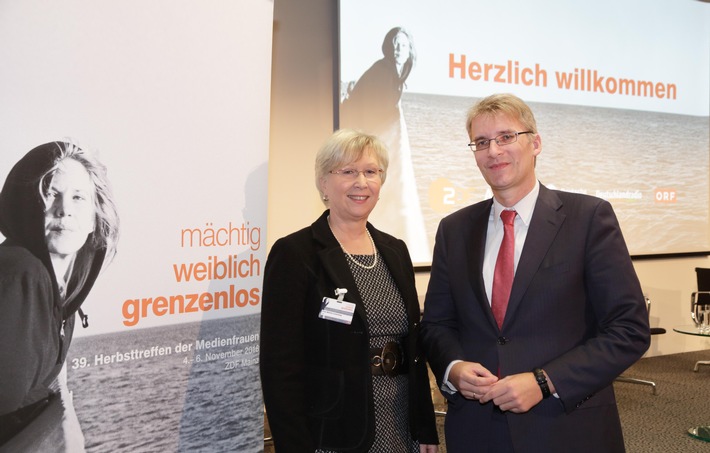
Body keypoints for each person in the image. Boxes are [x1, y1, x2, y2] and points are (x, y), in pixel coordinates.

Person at [420, 93, 650, 453]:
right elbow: (437, 324)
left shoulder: (588, 218)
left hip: (565, 426)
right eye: (481, 142)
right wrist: (453, 368)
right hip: (477, 431)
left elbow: (629, 330)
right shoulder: (455, 229)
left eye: (506, 137)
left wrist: (545, 382)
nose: (493, 151)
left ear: (535, 143)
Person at [260, 129, 438, 452]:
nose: (361, 182)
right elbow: (279, 369)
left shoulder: (395, 250)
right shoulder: (296, 253)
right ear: (323, 183)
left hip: (401, 425)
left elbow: (414, 347)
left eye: (371, 172)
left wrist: (425, 427)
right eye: (347, 171)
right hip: (333, 434)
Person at [0, 141, 120, 451]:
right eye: (52, 194)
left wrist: (67, 426)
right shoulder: (21, 274)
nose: (64, 209)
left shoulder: (60, 286)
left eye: (78, 197)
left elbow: (52, 378)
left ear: (94, 216)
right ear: (29, 205)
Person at [340, 27, 429, 262]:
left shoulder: (395, 73)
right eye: (395, 44)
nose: (399, 49)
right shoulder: (382, 72)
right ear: (389, 47)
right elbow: (370, 116)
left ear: (410, 50)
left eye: (404, 45)